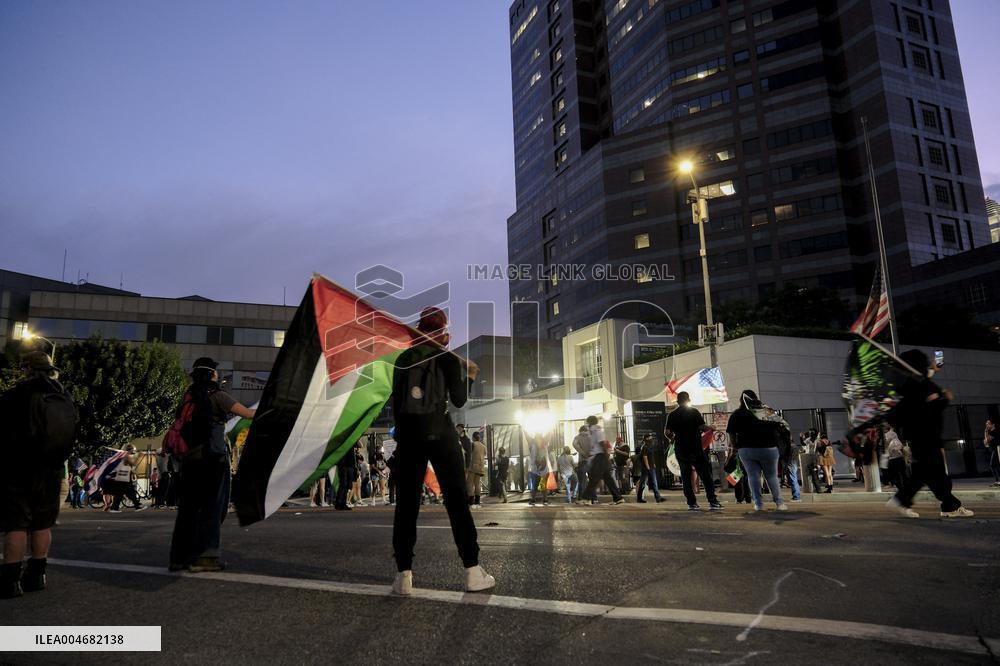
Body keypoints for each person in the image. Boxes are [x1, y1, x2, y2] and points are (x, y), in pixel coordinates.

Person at [390, 307, 494, 595]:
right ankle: (472, 571)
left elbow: (396, 404)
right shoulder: (447, 359)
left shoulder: (403, 360)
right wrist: (470, 375)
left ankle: (404, 576)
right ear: (443, 331)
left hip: (410, 438)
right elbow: (459, 400)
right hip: (442, 434)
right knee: (456, 502)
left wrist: (403, 436)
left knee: (407, 505)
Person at [168, 357, 256, 573]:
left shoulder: (187, 398)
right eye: (216, 371)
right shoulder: (218, 396)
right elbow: (248, 414)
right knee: (211, 507)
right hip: (211, 459)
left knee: (187, 509)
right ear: (212, 374)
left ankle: (179, 558)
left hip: (189, 461)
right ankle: (205, 557)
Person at [0, 351, 76, 598]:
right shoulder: (63, 396)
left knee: (17, 524)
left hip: (19, 467)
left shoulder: (17, 395)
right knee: (42, 524)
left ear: (26, 369)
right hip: (52, 468)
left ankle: (10, 580)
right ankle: (38, 575)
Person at [885, 349, 973, 518]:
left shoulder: (909, 383)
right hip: (926, 436)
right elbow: (924, 412)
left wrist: (935, 369)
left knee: (928, 473)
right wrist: (943, 399)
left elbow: (929, 376)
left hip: (922, 436)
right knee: (932, 472)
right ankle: (944, 505)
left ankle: (906, 500)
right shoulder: (917, 385)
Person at [726, 390, 786, 512]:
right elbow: (779, 426)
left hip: (746, 449)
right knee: (771, 476)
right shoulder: (766, 411)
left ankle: (758, 504)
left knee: (753, 476)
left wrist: (735, 447)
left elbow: (731, 434)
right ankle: (779, 503)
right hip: (769, 447)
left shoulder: (737, 414)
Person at [665, 392, 722, 510]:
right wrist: (711, 427)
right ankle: (713, 501)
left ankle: (691, 503)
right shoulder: (694, 412)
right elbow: (702, 427)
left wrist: (673, 439)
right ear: (688, 400)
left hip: (681, 448)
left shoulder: (672, 415)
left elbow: (668, 433)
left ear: (677, 401)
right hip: (695, 448)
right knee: (705, 475)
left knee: (685, 476)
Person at [580, 416, 625, 505]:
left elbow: (602, 444)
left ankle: (587, 498)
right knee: (608, 478)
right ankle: (618, 498)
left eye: (587, 422)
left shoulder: (597, 431)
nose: (586, 424)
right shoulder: (593, 432)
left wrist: (605, 456)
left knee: (594, 477)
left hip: (600, 457)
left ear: (590, 423)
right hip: (598, 457)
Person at [635, 434, 664, 503]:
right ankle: (657, 498)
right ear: (646, 439)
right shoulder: (645, 447)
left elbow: (650, 457)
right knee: (652, 483)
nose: (651, 439)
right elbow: (645, 457)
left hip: (649, 467)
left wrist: (653, 464)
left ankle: (640, 498)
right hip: (647, 468)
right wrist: (648, 467)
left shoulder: (648, 446)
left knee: (644, 483)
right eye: (650, 438)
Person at [527, 435, 553, 507]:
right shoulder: (543, 446)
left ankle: (534, 500)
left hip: (536, 470)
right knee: (541, 485)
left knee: (536, 486)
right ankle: (544, 500)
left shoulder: (534, 446)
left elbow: (534, 458)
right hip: (540, 469)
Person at [334, 444, 359, 510]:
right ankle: (338, 503)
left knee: (348, 485)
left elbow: (360, 445)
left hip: (351, 465)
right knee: (343, 484)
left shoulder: (353, 439)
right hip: (343, 464)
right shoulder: (343, 439)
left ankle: (343, 503)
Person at [467, 431, 486, 507]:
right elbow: (484, 454)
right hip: (480, 467)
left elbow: (469, 454)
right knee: (477, 484)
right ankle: (477, 500)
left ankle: (471, 499)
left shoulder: (473, 444)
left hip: (473, 467)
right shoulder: (483, 446)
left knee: (470, 483)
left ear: (473, 437)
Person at [571, 426, 590, 503]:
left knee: (582, 480)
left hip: (582, 461)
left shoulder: (578, 437)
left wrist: (582, 452)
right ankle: (593, 498)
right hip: (591, 460)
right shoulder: (590, 436)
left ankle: (581, 498)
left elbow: (574, 444)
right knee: (592, 480)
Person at [985, 419, 999, 487]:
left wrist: (986, 431)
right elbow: (986, 443)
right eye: (986, 424)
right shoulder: (991, 432)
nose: (987, 425)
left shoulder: (994, 431)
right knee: (995, 465)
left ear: (993, 424)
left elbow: (987, 440)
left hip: (997, 449)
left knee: (992, 465)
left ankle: (997, 481)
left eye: (988, 423)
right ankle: (997, 481)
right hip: (995, 449)